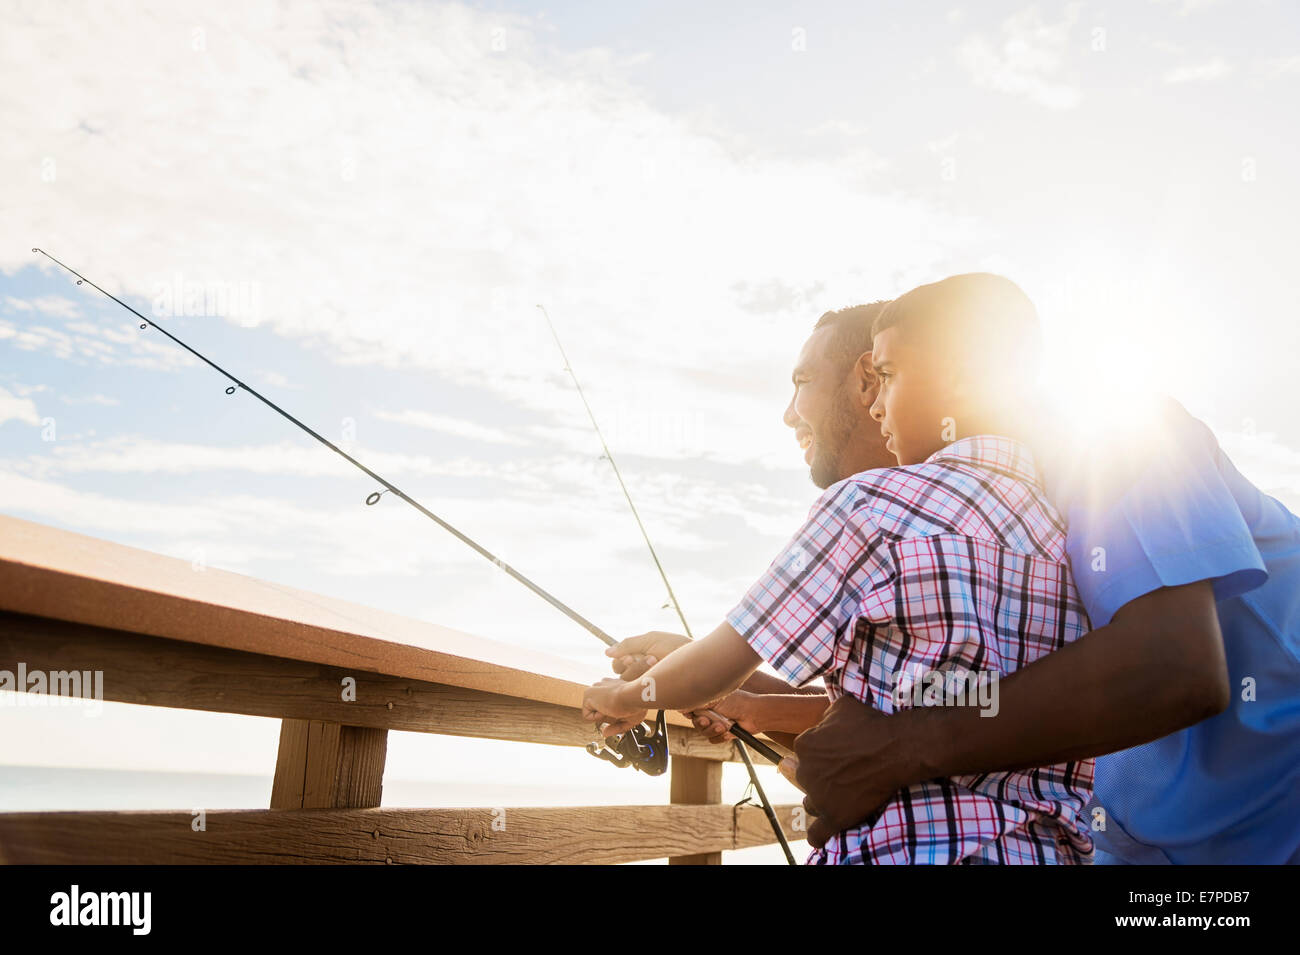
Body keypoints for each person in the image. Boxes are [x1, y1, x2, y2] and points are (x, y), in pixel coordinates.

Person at [613, 277, 1300, 864]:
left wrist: (896, 752)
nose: (789, 413)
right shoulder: (974, 534)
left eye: (802, 383)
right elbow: (980, 696)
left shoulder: (1124, 435)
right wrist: (748, 694)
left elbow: (1177, 666)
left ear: (867, 378)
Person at [583, 273, 1095, 864]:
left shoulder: (870, 507)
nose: (877, 402)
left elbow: (721, 661)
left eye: (889, 378)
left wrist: (627, 696)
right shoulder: (1065, 535)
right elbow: (960, 693)